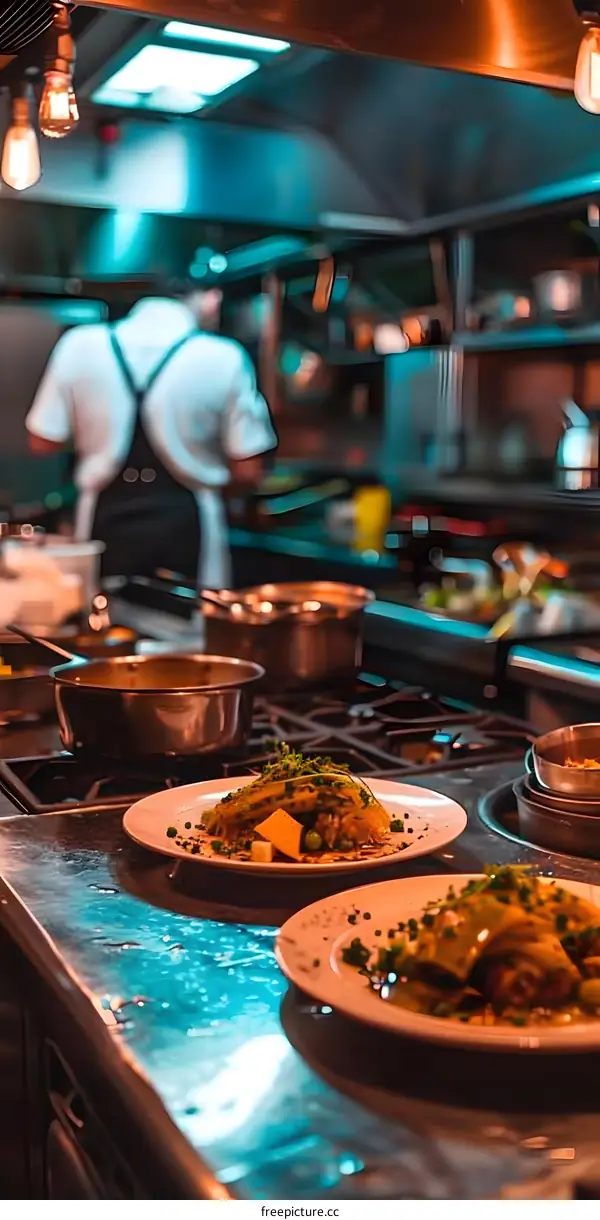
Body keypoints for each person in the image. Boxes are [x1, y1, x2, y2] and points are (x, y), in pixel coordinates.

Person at [26, 287, 277, 588]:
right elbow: (249, 470)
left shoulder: (80, 345)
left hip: (103, 522)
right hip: (189, 525)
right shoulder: (225, 357)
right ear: (208, 298)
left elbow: (42, 441)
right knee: (189, 626)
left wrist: (94, 433)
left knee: (102, 623)